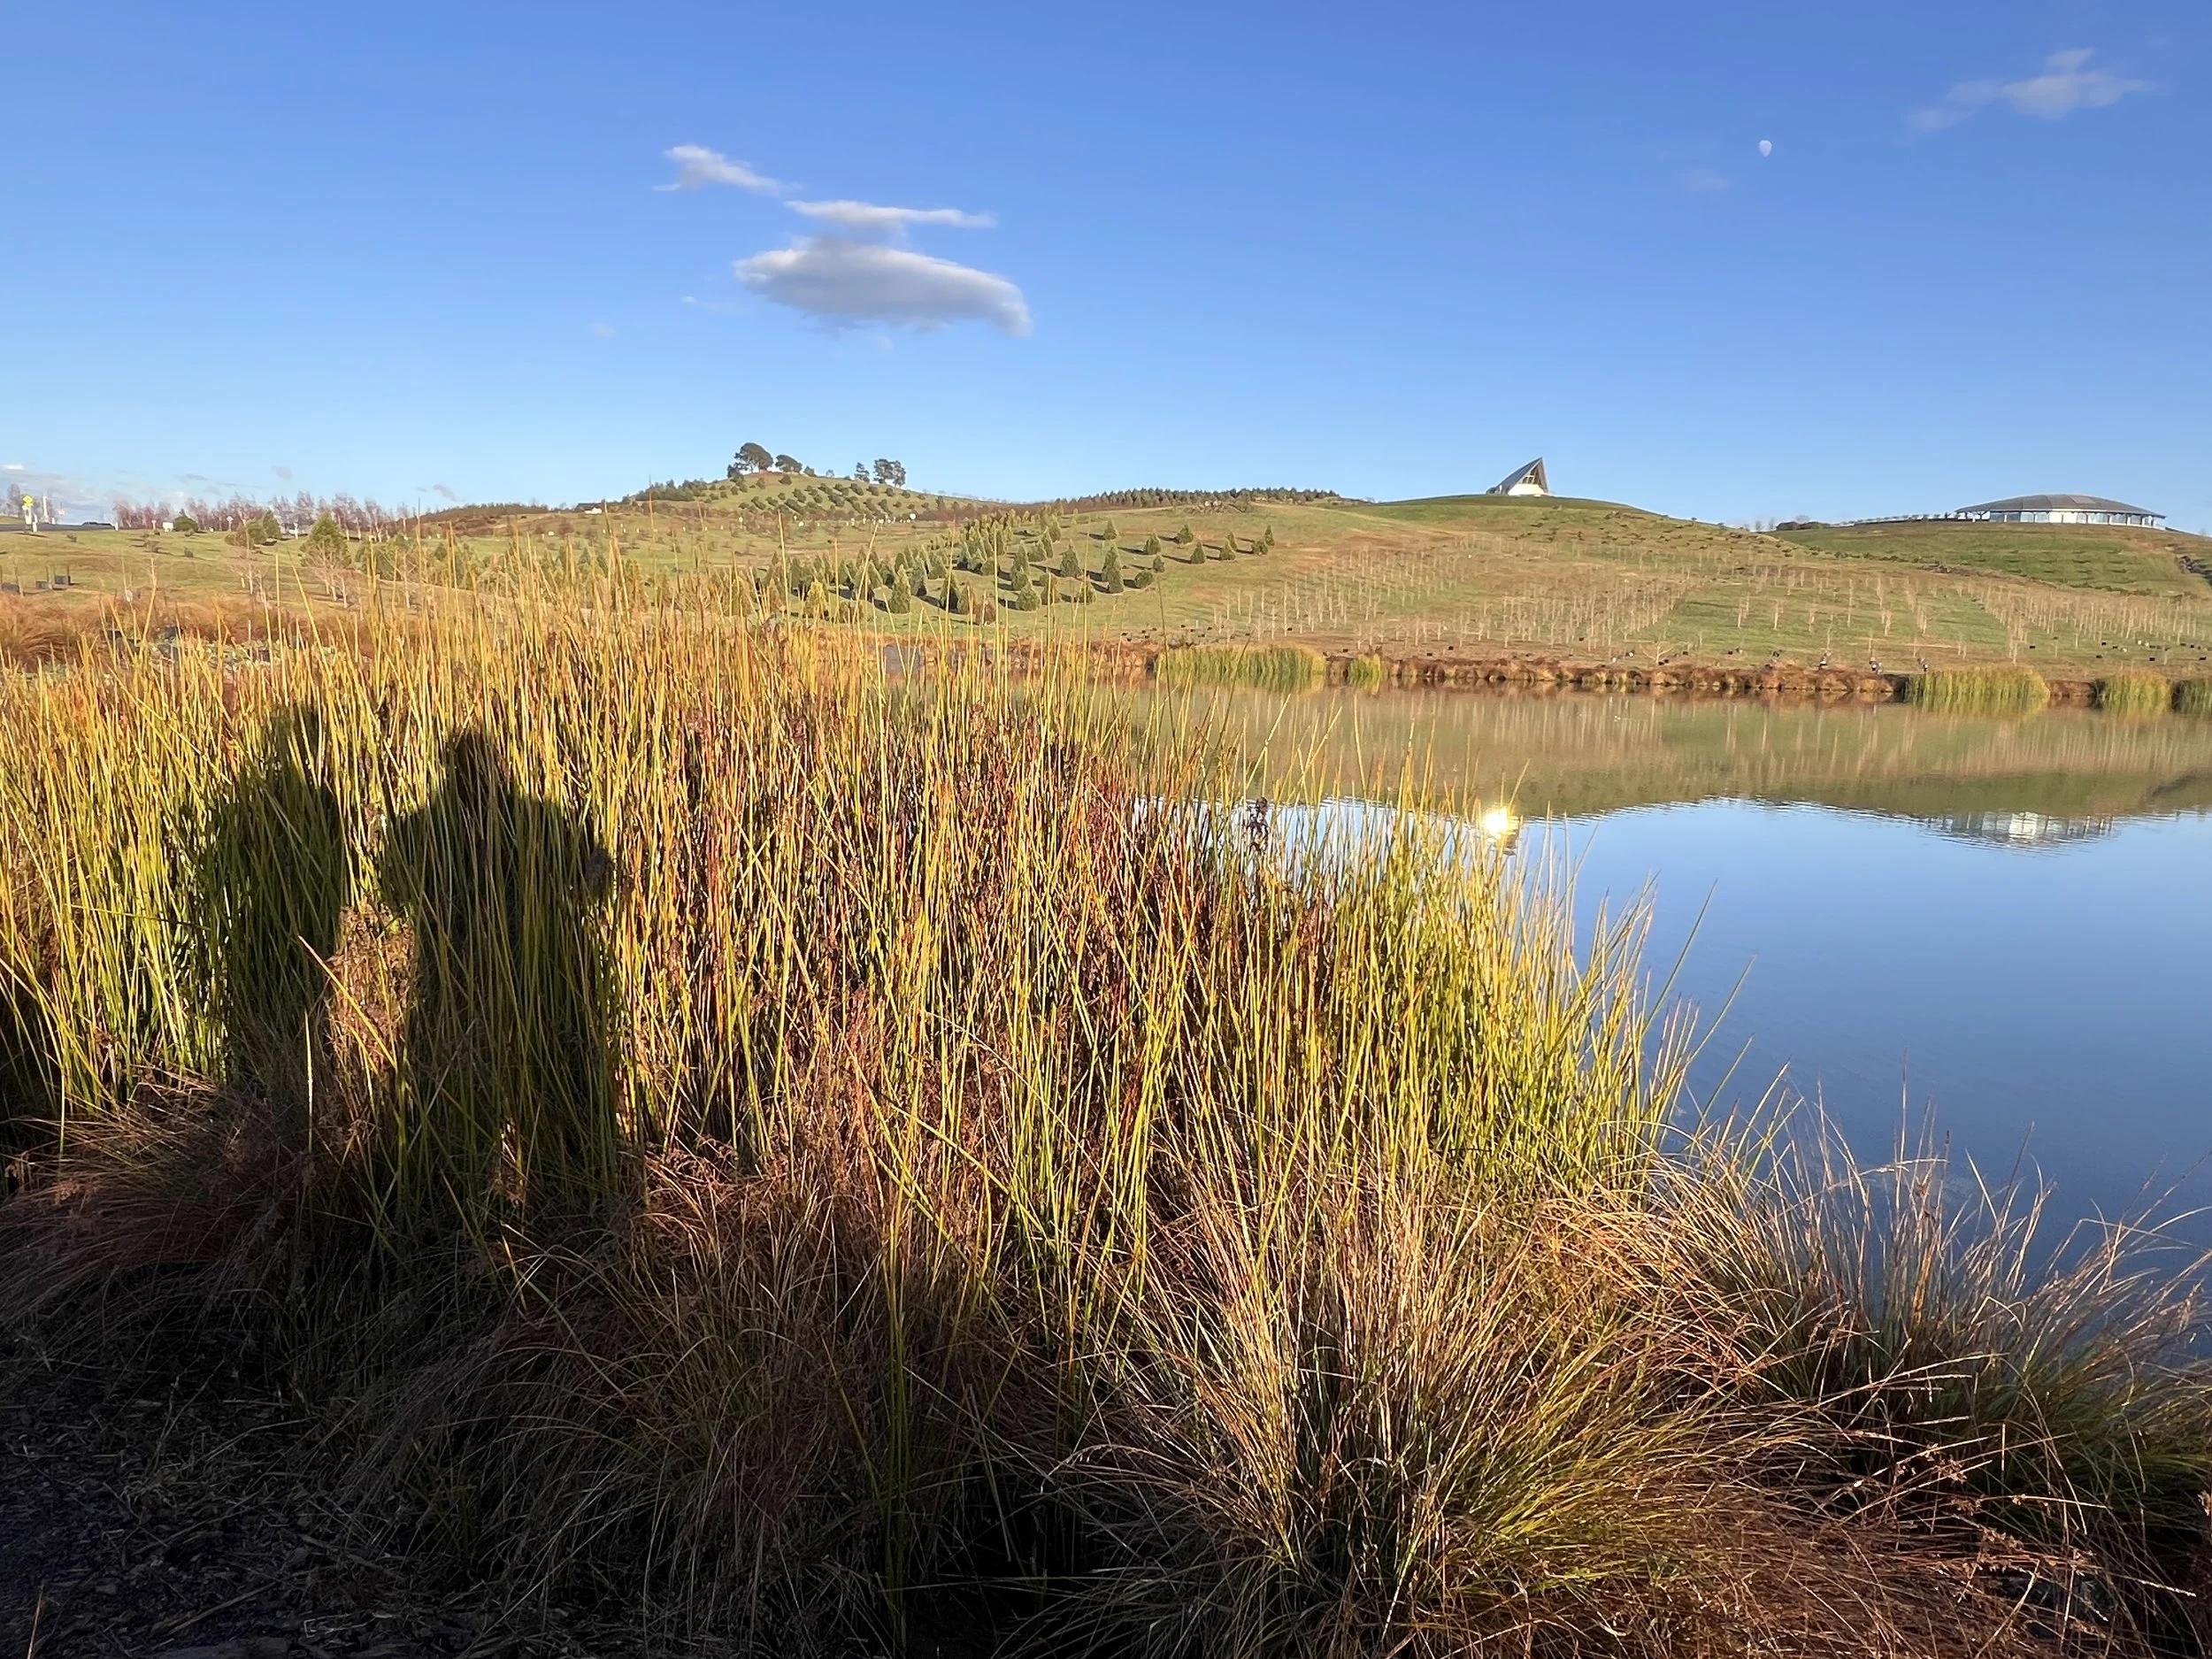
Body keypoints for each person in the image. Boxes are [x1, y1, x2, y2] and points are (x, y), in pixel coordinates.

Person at [379, 728, 619, 1218]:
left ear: (449, 771)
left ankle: (466, 1201)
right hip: (535, 988)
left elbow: (391, 894)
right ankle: (555, 1194)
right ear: (501, 768)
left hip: (456, 985)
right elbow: (595, 882)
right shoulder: (539, 818)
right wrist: (598, 857)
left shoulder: (423, 827)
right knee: (538, 1084)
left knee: (464, 1087)